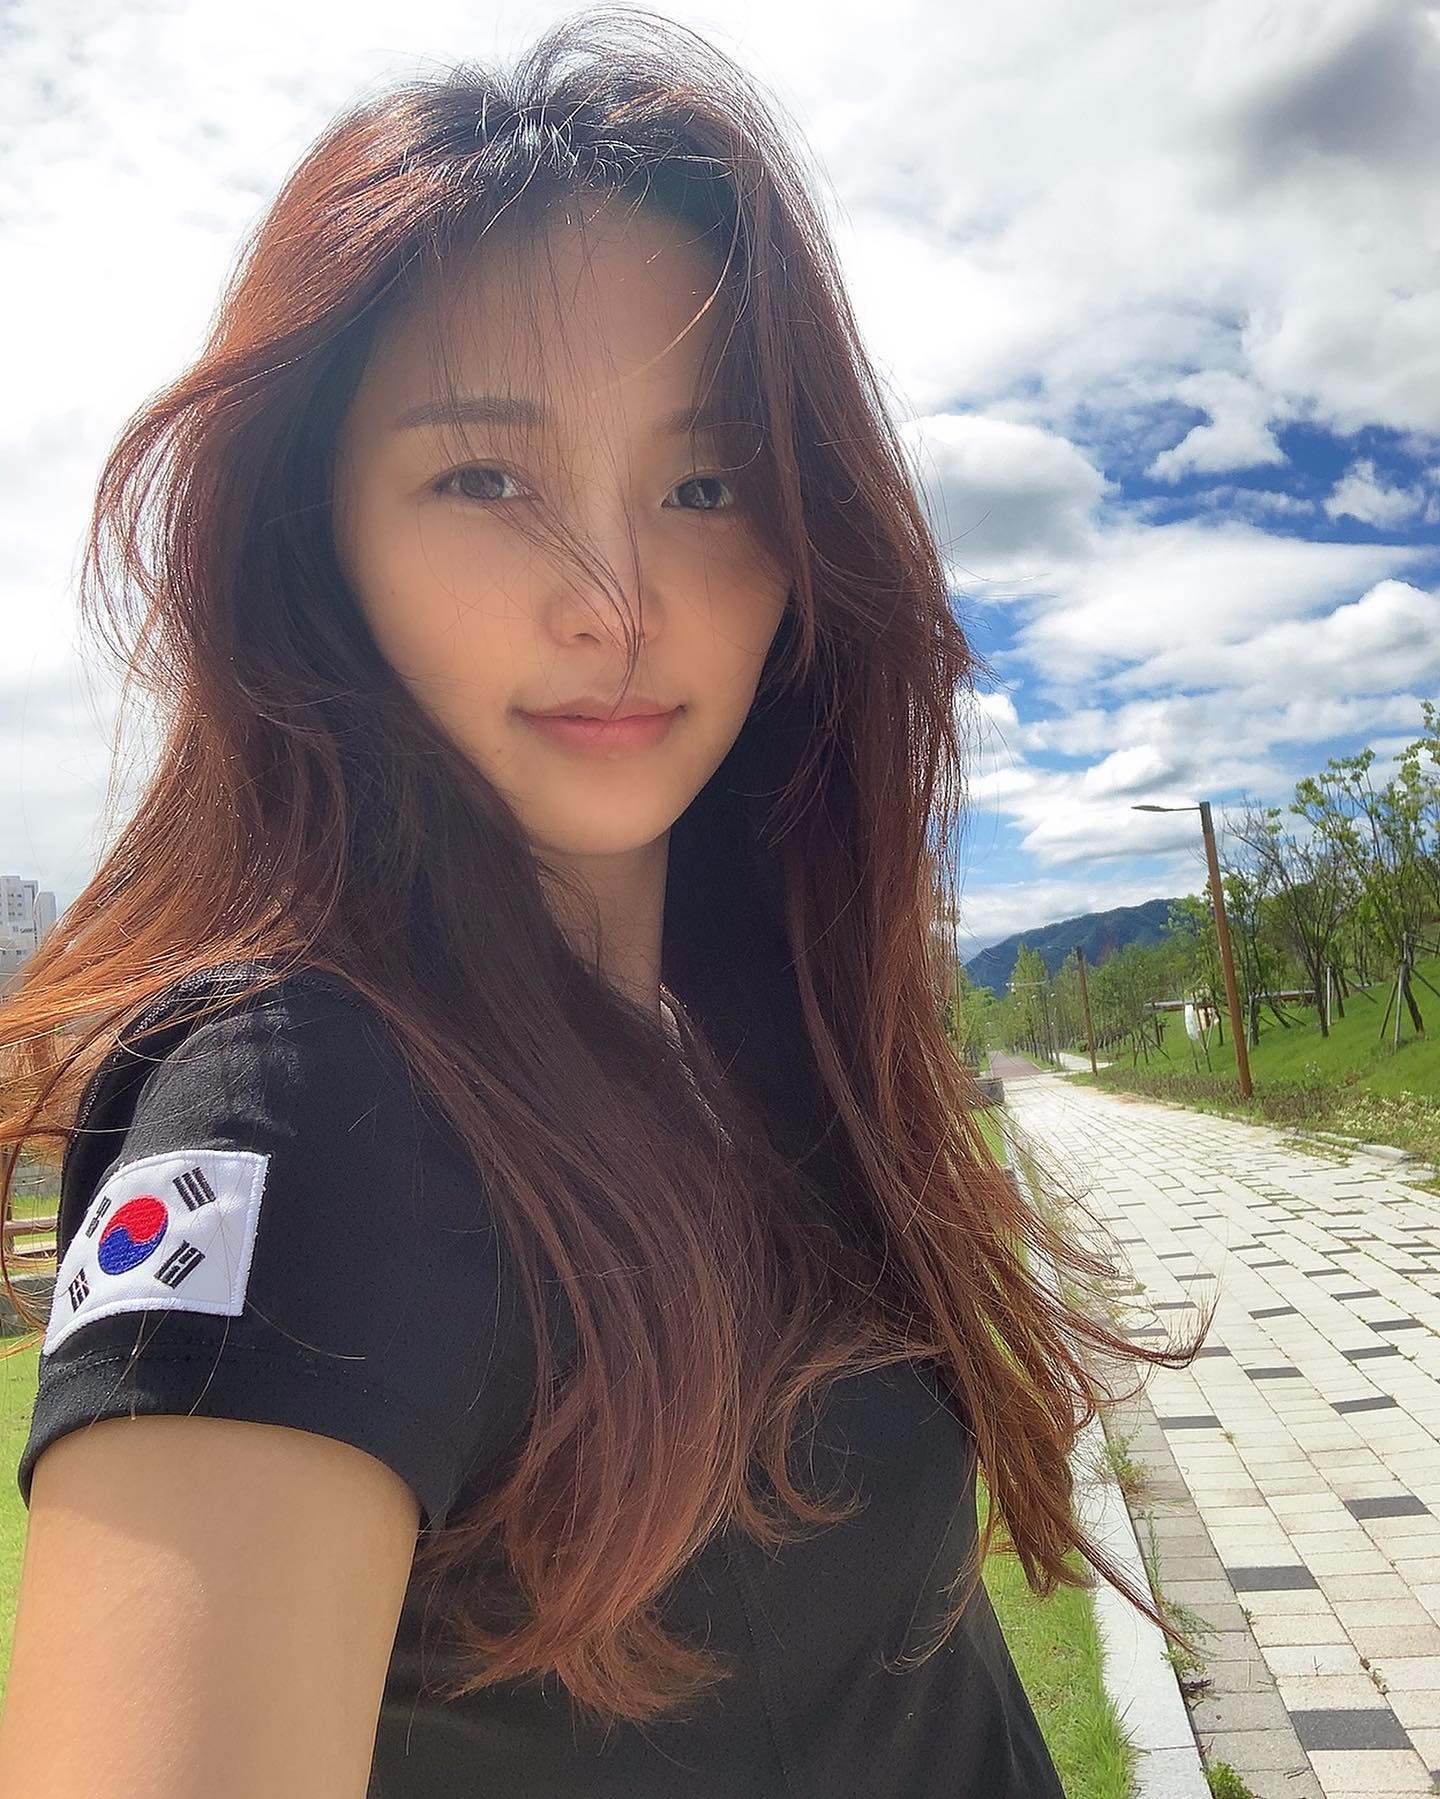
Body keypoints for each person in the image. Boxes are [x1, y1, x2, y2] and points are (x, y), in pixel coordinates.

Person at [0, 12, 1185, 1795]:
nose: (615, 600)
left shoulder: (735, 1039)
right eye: (484, 476)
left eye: (706, 484)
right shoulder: (305, 1100)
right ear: (319, 539)